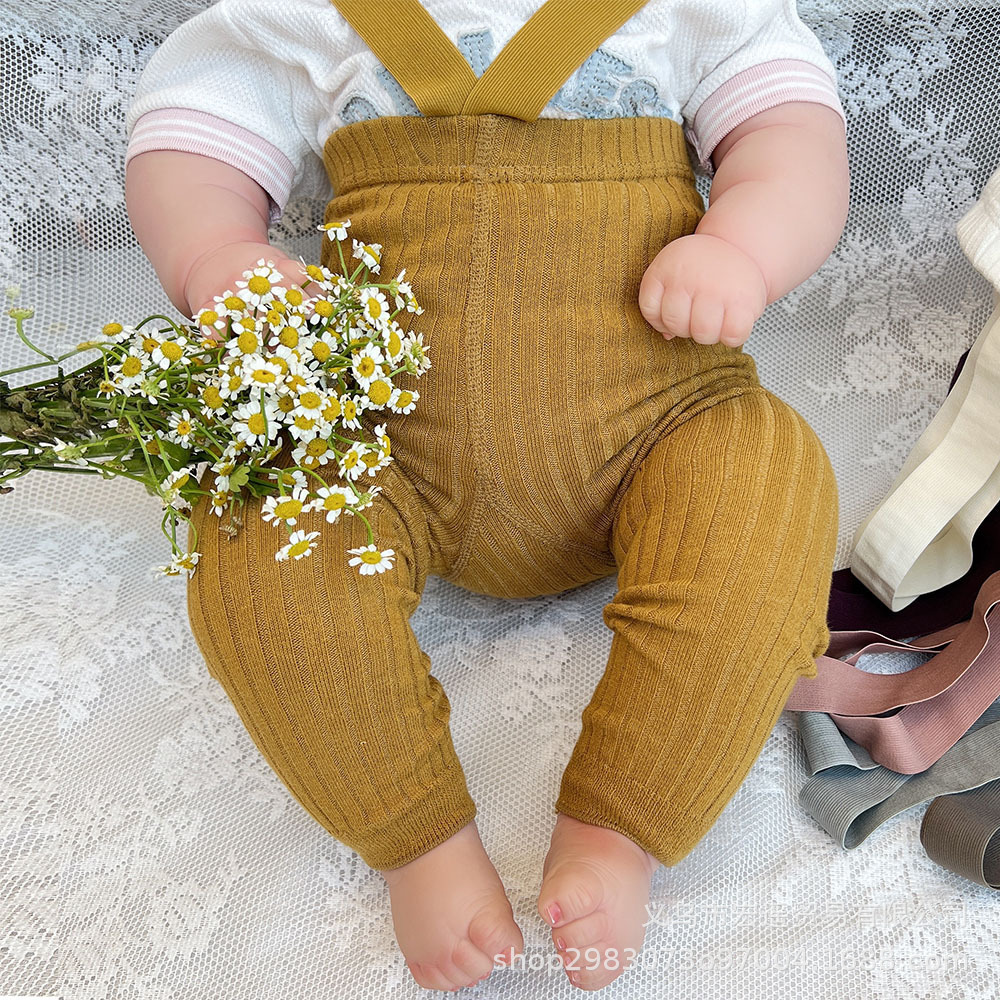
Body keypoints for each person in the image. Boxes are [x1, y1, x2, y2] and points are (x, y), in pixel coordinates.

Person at [124, 0, 849, 990]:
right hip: (377, 442)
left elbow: (792, 135)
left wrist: (744, 246)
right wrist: (215, 255)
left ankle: (621, 825)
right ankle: (415, 835)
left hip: (659, 422)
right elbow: (190, 138)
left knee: (765, 488)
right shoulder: (310, 16)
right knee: (259, 534)